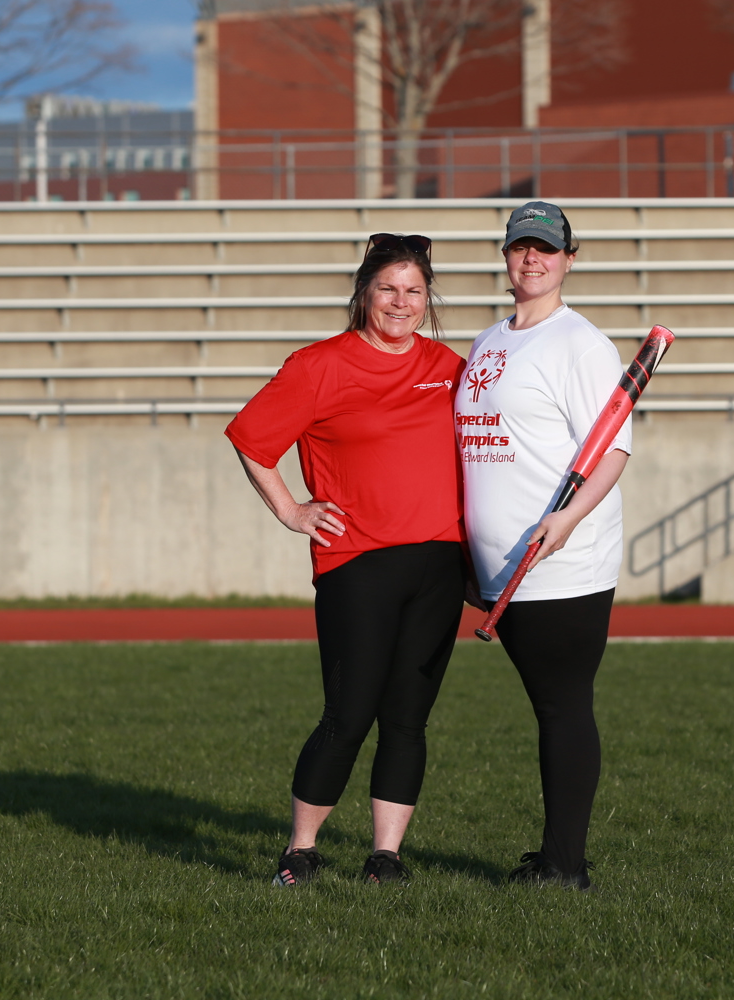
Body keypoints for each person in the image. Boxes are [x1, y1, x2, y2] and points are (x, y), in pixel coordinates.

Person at [225, 233, 465, 887]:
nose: (401, 302)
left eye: (414, 291)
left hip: (440, 562)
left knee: (408, 718)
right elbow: (252, 439)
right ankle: (300, 849)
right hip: (357, 562)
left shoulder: (450, 365)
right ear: (363, 293)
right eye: (387, 287)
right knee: (349, 712)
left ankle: (385, 857)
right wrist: (290, 510)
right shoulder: (318, 365)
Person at [457, 202, 631, 891]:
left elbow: (611, 449)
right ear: (505, 256)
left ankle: (565, 866)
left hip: (562, 564)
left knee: (562, 706)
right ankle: (559, 855)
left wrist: (567, 519)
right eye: (521, 247)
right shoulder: (489, 339)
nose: (532, 259)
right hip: (498, 568)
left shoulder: (580, 344)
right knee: (549, 707)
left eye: (547, 250)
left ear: (568, 259)